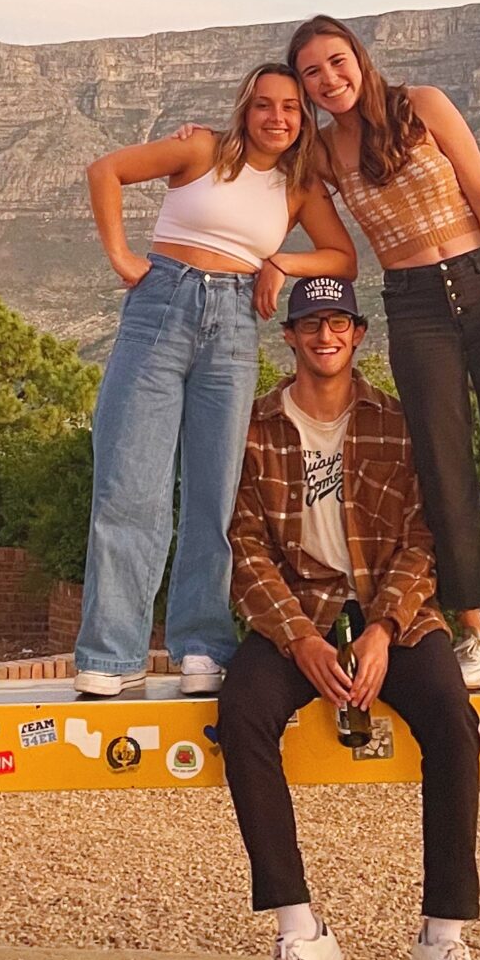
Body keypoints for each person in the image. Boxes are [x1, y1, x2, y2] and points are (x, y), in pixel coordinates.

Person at [220, 277, 480, 960]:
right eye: (310, 324)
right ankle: (301, 933)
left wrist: (381, 630)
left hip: (387, 616)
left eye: (337, 323)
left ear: (358, 334)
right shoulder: (256, 428)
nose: (324, 336)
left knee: (449, 716)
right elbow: (244, 547)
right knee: (240, 713)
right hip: (299, 613)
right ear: (292, 338)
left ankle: (442, 942)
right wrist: (299, 638)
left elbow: (422, 537)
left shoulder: (395, 426)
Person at [286, 15, 480, 695]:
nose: (329, 80)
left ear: (357, 59)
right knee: (441, 467)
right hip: (413, 306)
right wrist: (273, 258)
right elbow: (267, 176)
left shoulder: (422, 105)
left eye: (336, 62)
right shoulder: (324, 154)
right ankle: (474, 632)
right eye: (312, 72)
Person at [75, 64, 356, 699]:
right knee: (128, 485)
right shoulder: (202, 149)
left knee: (215, 494)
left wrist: (281, 259)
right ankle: (112, 653)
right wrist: (122, 256)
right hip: (160, 306)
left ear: (302, 117)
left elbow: (344, 257)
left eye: (290, 107)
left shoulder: (298, 185)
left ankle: (200, 645)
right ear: (245, 109)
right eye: (264, 105)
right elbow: (106, 171)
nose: (277, 117)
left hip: (233, 323)